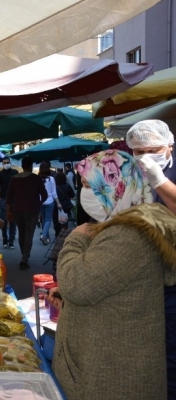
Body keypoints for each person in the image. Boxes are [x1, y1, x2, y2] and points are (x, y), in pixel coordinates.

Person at [48, 149, 176, 400]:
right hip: (110, 364)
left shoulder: (128, 234)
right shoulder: (122, 227)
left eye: (87, 185)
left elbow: (77, 284)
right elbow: (110, 284)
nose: (84, 192)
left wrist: (75, 240)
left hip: (113, 377)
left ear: (113, 185)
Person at [125, 119, 176, 399]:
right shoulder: (132, 172)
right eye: (138, 152)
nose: (145, 158)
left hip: (173, 274)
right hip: (147, 272)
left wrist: (159, 180)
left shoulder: (163, 172)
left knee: (171, 350)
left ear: (170, 145)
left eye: (153, 150)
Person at [6, 156, 47, 269]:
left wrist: (8, 211)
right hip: (32, 210)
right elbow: (44, 195)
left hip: (17, 210)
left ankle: (24, 256)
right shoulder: (36, 179)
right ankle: (24, 259)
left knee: (22, 233)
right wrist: (38, 203)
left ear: (22, 166)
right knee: (29, 234)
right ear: (31, 165)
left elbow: (9, 196)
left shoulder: (14, 178)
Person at [0, 157, 18, 249]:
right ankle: (5, 239)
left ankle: (11, 241)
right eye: (4, 163)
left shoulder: (15, 172)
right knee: (4, 221)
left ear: (10, 163)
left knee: (13, 221)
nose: (6, 164)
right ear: (2, 163)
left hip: (14, 199)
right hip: (3, 199)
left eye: (7, 162)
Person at [38, 161, 59, 245]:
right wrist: (58, 202)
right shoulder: (51, 178)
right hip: (50, 201)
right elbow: (54, 192)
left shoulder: (38, 178)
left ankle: (46, 237)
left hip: (40, 202)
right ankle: (44, 235)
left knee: (43, 219)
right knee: (48, 220)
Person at [52, 172, 75, 238]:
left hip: (56, 205)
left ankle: (57, 234)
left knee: (56, 220)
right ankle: (64, 234)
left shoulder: (54, 187)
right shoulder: (67, 186)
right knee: (65, 221)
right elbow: (72, 195)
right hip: (65, 205)